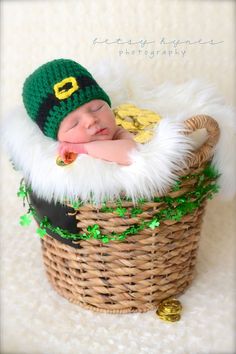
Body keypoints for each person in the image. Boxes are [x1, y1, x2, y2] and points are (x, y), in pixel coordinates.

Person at [22, 58, 137, 166]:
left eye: (97, 108)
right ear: (58, 137)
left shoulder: (117, 133)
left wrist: (84, 148)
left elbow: (132, 153)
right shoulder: (55, 155)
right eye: (74, 123)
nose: (91, 120)